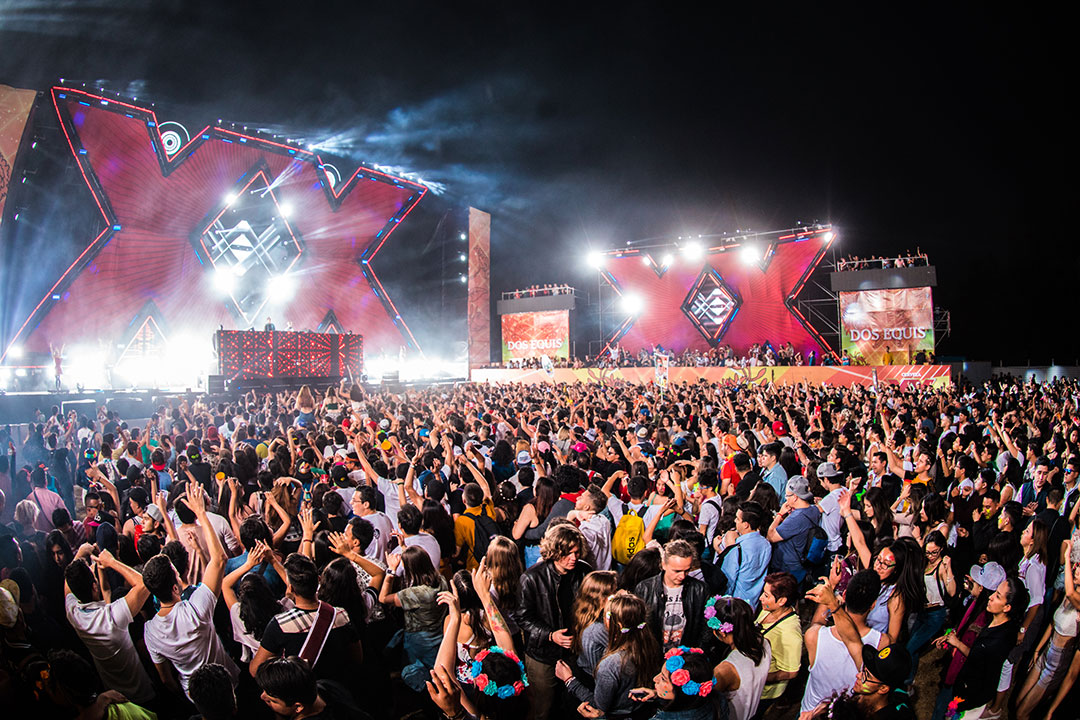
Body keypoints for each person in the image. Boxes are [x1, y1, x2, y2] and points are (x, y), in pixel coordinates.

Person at [142, 484, 240, 698]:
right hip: (226, 684)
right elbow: (220, 559)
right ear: (176, 586)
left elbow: (166, 679)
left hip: (194, 695)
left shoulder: (150, 631)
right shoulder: (196, 608)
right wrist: (202, 513)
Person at [513, 522, 589, 720]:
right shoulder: (531, 578)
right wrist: (549, 635)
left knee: (572, 703)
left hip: (575, 650)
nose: (574, 558)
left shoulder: (583, 572)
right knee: (542, 708)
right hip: (542, 654)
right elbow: (522, 616)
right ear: (554, 551)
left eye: (576, 552)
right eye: (568, 553)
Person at [63, 547, 156, 705]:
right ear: (94, 586)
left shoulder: (73, 613)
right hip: (141, 693)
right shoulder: (111, 616)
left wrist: (80, 555)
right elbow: (143, 584)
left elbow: (67, 587)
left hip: (114, 696)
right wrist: (111, 562)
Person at [557, 590, 661, 719]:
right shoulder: (650, 646)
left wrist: (569, 680)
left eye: (606, 615)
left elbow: (599, 708)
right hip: (641, 711)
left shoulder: (612, 664)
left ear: (617, 625)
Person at [801, 570, 887, 716]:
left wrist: (832, 586)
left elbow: (816, 623)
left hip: (809, 712)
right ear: (873, 605)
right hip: (846, 714)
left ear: (845, 595)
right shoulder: (881, 642)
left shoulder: (814, 636)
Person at [704, 594, 771, 720]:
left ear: (722, 633)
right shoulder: (764, 642)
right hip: (753, 711)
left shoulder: (725, 670)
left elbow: (708, 704)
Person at [635, 538, 709, 651]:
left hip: (685, 654)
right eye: (677, 571)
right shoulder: (645, 588)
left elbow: (704, 627)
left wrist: (697, 651)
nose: (682, 576)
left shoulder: (700, 589)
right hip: (654, 654)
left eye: (687, 570)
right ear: (664, 565)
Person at [756, 572, 802, 708]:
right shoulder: (769, 609)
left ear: (782, 601)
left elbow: (791, 672)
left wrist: (759, 678)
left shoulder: (790, 633)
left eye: (766, 595)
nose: (760, 598)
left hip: (764, 692)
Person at [766, 476, 821, 584]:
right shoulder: (814, 509)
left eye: (787, 495)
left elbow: (771, 537)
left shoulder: (796, 519)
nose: (786, 498)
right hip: (801, 564)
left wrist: (780, 514)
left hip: (788, 568)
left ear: (795, 497)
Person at [718, 501, 772, 609]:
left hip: (735, 604)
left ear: (746, 524)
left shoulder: (738, 549)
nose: (735, 521)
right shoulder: (766, 544)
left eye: (738, 519)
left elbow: (727, 581)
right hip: (755, 602)